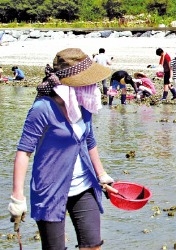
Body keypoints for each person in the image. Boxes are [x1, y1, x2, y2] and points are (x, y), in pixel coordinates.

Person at [8, 48, 115, 250]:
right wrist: (17, 197)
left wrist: (102, 175)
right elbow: (24, 151)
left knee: (93, 245)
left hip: (83, 186)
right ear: (69, 82)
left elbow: (89, 140)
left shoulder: (83, 105)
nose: (92, 85)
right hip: (50, 189)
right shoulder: (42, 109)